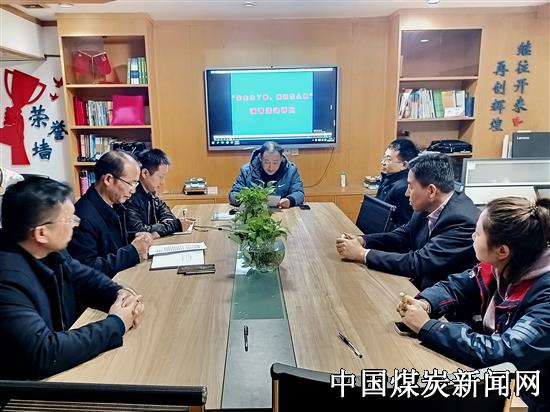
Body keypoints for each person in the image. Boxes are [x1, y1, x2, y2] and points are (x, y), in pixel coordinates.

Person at [397, 197, 550, 411]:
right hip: (504, 378)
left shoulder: (545, 295)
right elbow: (455, 286)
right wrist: (426, 304)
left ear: (502, 250)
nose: (472, 236)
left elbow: (505, 352)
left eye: (477, 234)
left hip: (531, 394)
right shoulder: (505, 264)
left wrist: (429, 327)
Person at [0, 177, 144, 379]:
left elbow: (85, 279)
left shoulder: (49, 250)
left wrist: (120, 295)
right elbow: (45, 352)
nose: (75, 225)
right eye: (69, 220)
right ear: (41, 233)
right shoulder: (7, 280)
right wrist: (117, 323)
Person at [336, 153, 480, 290]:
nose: (406, 193)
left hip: (444, 296)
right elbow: (403, 236)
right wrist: (363, 240)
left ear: (431, 191)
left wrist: (362, 254)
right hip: (421, 284)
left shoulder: (461, 221)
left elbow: (419, 263)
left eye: (411, 187)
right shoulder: (428, 205)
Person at [68, 151, 153, 278]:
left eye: (136, 183)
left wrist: (135, 237)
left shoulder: (114, 204)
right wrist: (132, 252)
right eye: (131, 183)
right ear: (108, 179)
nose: (133, 190)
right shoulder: (83, 217)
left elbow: (111, 243)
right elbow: (87, 269)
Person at [125, 149, 193, 238]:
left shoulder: (150, 193)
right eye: (161, 177)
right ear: (145, 173)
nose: (162, 182)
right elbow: (139, 231)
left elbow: (165, 211)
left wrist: (167, 224)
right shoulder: (129, 196)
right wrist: (173, 225)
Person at [229, 141, 304, 208]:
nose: (271, 167)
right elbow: (233, 194)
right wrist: (247, 200)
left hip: (282, 210)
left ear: (281, 159)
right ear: (260, 158)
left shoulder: (291, 170)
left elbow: (299, 193)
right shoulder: (246, 170)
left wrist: (290, 200)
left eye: (275, 163)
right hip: (255, 212)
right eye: (266, 162)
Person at [376, 138, 418, 228]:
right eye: (384, 157)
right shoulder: (388, 177)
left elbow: (405, 226)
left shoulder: (403, 188)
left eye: (388, 159)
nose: (383, 162)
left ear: (404, 164)